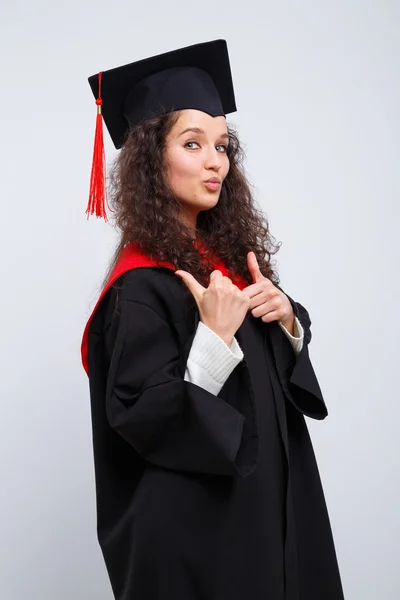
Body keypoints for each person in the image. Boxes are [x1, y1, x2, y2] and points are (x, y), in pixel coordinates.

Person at [81, 39, 345, 600]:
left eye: (222, 146)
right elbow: (142, 421)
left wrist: (287, 324)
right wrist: (215, 339)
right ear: (153, 159)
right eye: (193, 143)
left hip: (270, 513)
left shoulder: (229, 265)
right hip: (202, 540)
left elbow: (268, 392)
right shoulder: (140, 286)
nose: (214, 161)